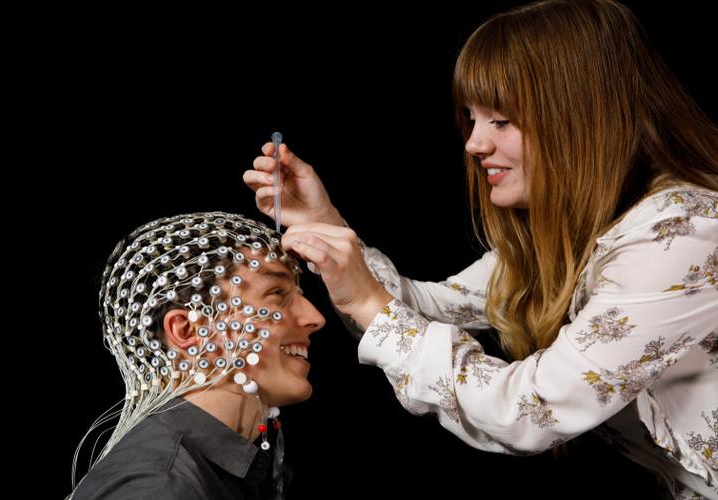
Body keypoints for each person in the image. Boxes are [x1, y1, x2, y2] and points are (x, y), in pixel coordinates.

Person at [243, 1, 718, 497]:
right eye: (471, 118)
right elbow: (423, 309)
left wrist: (367, 302)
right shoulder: (575, 231)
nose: (473, 143)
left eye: (501, 120)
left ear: (582, 119)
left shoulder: (683, 234)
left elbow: (532, 409)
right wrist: (326, 224)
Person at [68, 211, 325, 500]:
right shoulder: (159, 487)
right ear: (187, 330)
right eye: (277, 294)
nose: (315, 317)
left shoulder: (199, 473)